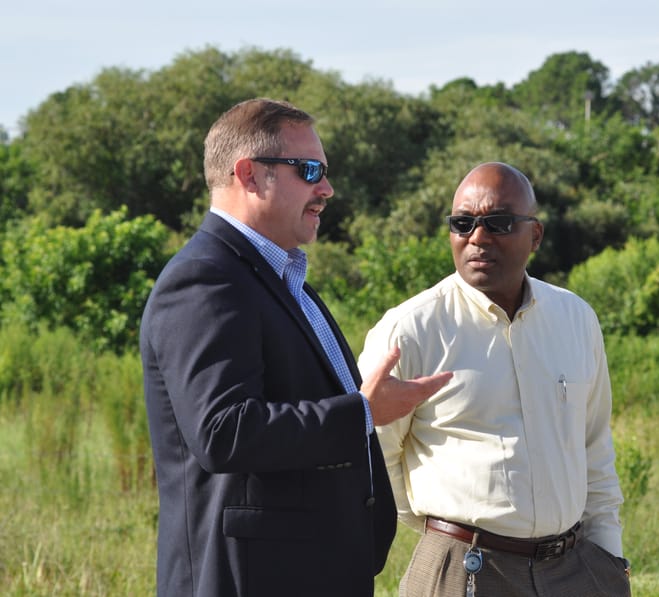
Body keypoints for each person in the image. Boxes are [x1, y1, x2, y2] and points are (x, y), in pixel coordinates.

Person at [139, 98, 452, 597]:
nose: (326, 189)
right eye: (309, 170)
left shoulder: (282, 280)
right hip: (250, 579)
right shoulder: (206, 279)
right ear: (248, 174)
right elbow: (224, 432)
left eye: (324, 172)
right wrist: (362, 414)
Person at [358, 162, 631, 596]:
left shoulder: (575, 318)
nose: (478, 238)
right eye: (462, 223)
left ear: (535, 236)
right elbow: (372, 459)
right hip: (463, 570)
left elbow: (594, 448)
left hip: (576, 569)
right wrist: (446, 534)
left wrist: (608, 560)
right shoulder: (409, 331)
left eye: (498, 223)